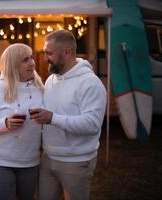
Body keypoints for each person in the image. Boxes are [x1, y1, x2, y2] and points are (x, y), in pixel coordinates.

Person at [29, 30, 107, 200]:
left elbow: (92, 124)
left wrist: (52, 118)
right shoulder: (51, 79)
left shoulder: (90, 83)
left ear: (66, 52)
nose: (44, 58)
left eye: (49, 53)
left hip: (76, 161)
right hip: (48, 157)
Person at [0, 43, 44, 200]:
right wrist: (4, 124)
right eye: (25, 59)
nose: (32, 62)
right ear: (13, 64)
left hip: (30, 161)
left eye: (31, 57)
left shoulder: (40, 88)